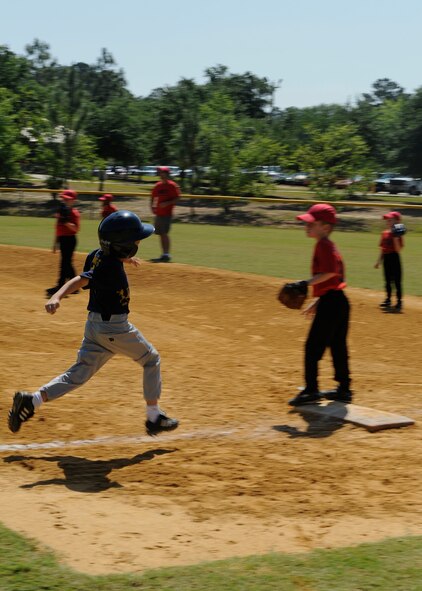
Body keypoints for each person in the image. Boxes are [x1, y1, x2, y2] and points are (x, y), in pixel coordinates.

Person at [8, 210, 179, 437]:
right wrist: (57, 296)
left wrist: (125, 259)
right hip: (115, 329)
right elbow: (82, 279)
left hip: (94, 327)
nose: (138, 242)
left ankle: (33, 400)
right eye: (136, 240)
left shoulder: (98, 255)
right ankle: (154, 416)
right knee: (151, 359)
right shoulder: (109, 268)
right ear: (123, 245)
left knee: (79, 374)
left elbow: (98, 267)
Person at [288, 203, 352, 406]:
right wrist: (318, 299)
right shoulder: (328, 245)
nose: (306, 226)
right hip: (337, 301)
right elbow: (333, 279)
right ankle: (344, 389)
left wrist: (305, 283)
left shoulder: (323, 245)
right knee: (337, 346)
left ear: (325, 227)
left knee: (312, 347)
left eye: (311, 223)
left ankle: (311, 390)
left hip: (333, 303)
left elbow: (331, 272)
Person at [46, 189, 81, 297]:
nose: (65, 201)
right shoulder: (61, 212)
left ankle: (60, 286)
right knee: (67, 263)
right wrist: (55, 243)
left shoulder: (74, 213)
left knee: (64, 263)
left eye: (67, 199)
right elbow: (58, 228)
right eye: (64, 199)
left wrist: (66, 222)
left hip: (70, 240)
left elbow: (76, 229)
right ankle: (75, 286)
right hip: (62, 240)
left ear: (73, 200)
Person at [374, 211, 404, 313]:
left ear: (396, 221)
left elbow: (398, 250)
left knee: (397, 281)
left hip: (394, 258)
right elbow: (383, 249)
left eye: (390, 220)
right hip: (386, 258)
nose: (387, 221)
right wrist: (378, 261)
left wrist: (396, 237)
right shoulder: (384, 233)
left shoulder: (398, 234)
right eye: (387, 220)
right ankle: (388, 299)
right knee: (387, 281)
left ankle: (399, 302)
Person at [150, 166, 180, 262]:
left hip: (167, 214)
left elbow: (177, 198)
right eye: (160, 173)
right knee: (160, 234)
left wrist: (167, 203)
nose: (160, 174)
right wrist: (152, 207)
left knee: (164, 233)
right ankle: (164, 254)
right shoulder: (158, 185)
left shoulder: (172, 185)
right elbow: (152, 197)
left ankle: (166, 254)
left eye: (162, 173)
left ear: (167, 174)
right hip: (159, 213)